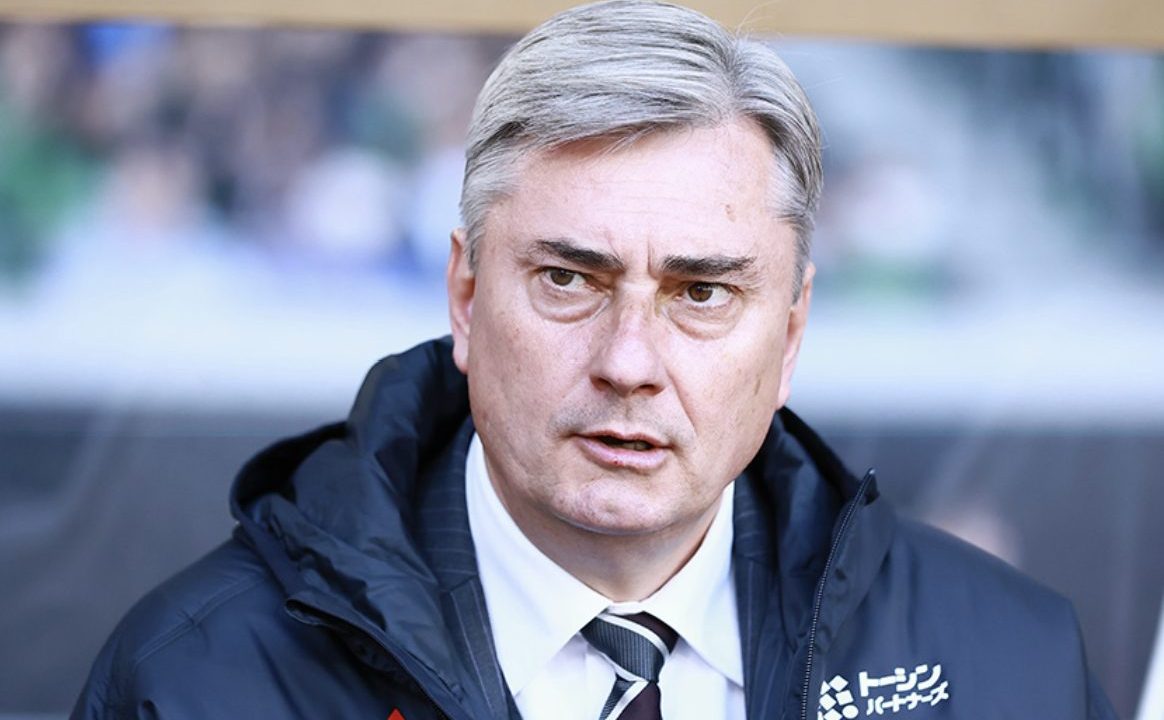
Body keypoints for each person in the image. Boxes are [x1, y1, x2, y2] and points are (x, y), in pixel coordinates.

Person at [72, 1, 1116, 718]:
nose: (629, 362)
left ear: (792, 333)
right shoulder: (201, 682)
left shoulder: (1006, 668)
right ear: (465, 296)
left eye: (702, 294)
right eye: (569, 279)